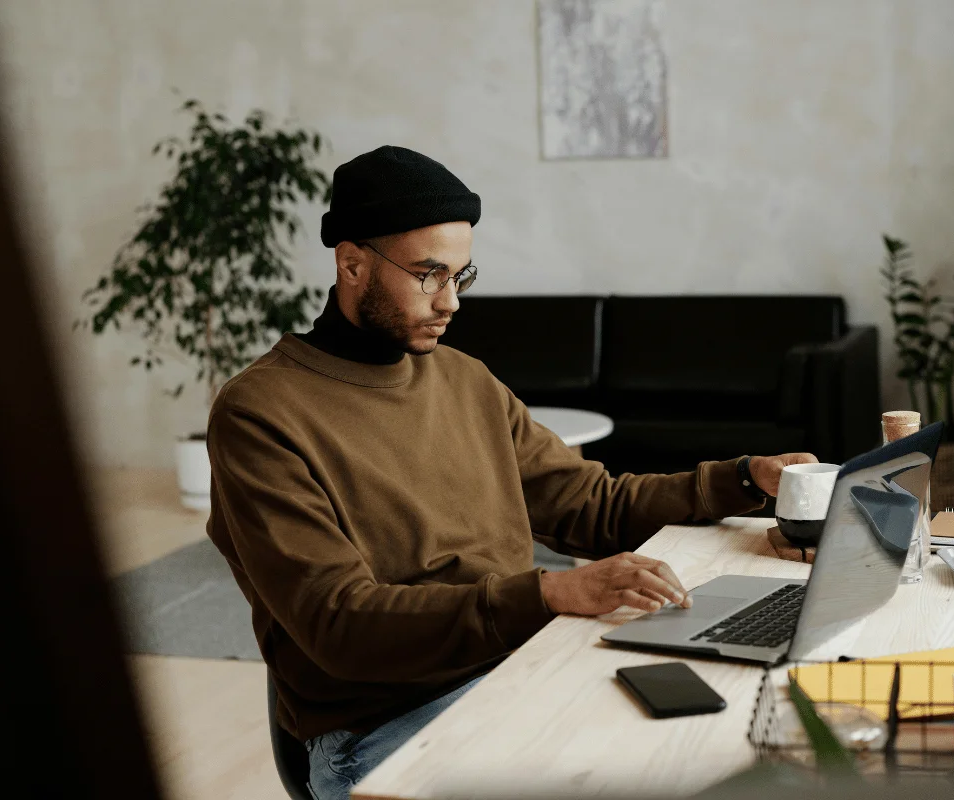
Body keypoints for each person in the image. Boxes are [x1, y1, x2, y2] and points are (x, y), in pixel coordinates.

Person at [205, 145, 817, 800]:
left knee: (744, 751)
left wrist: (746, 479)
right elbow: (340, 624)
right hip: (380, 731)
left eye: (461, 277)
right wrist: (549, 593)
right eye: (428, 275)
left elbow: (592, 505)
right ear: (352, 263)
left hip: (523, 670)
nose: (451, 303)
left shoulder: (465, 380)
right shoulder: (260, 413)